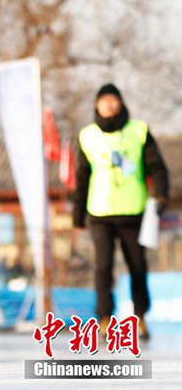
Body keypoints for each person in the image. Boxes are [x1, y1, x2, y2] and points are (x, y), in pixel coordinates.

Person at [73, 83, 169, 339]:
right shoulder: (87, 136)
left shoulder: (139, 131)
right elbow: (81, 177)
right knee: (103, 267)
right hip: (100, 212)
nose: (109, 104)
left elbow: (157, 168)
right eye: (104, 100)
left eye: (113, 99)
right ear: (96, 105)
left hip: (133, 211)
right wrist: (77, 216)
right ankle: (105, 318)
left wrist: (161, 195)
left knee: (137, 266)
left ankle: (140, 317)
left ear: (121, 103)